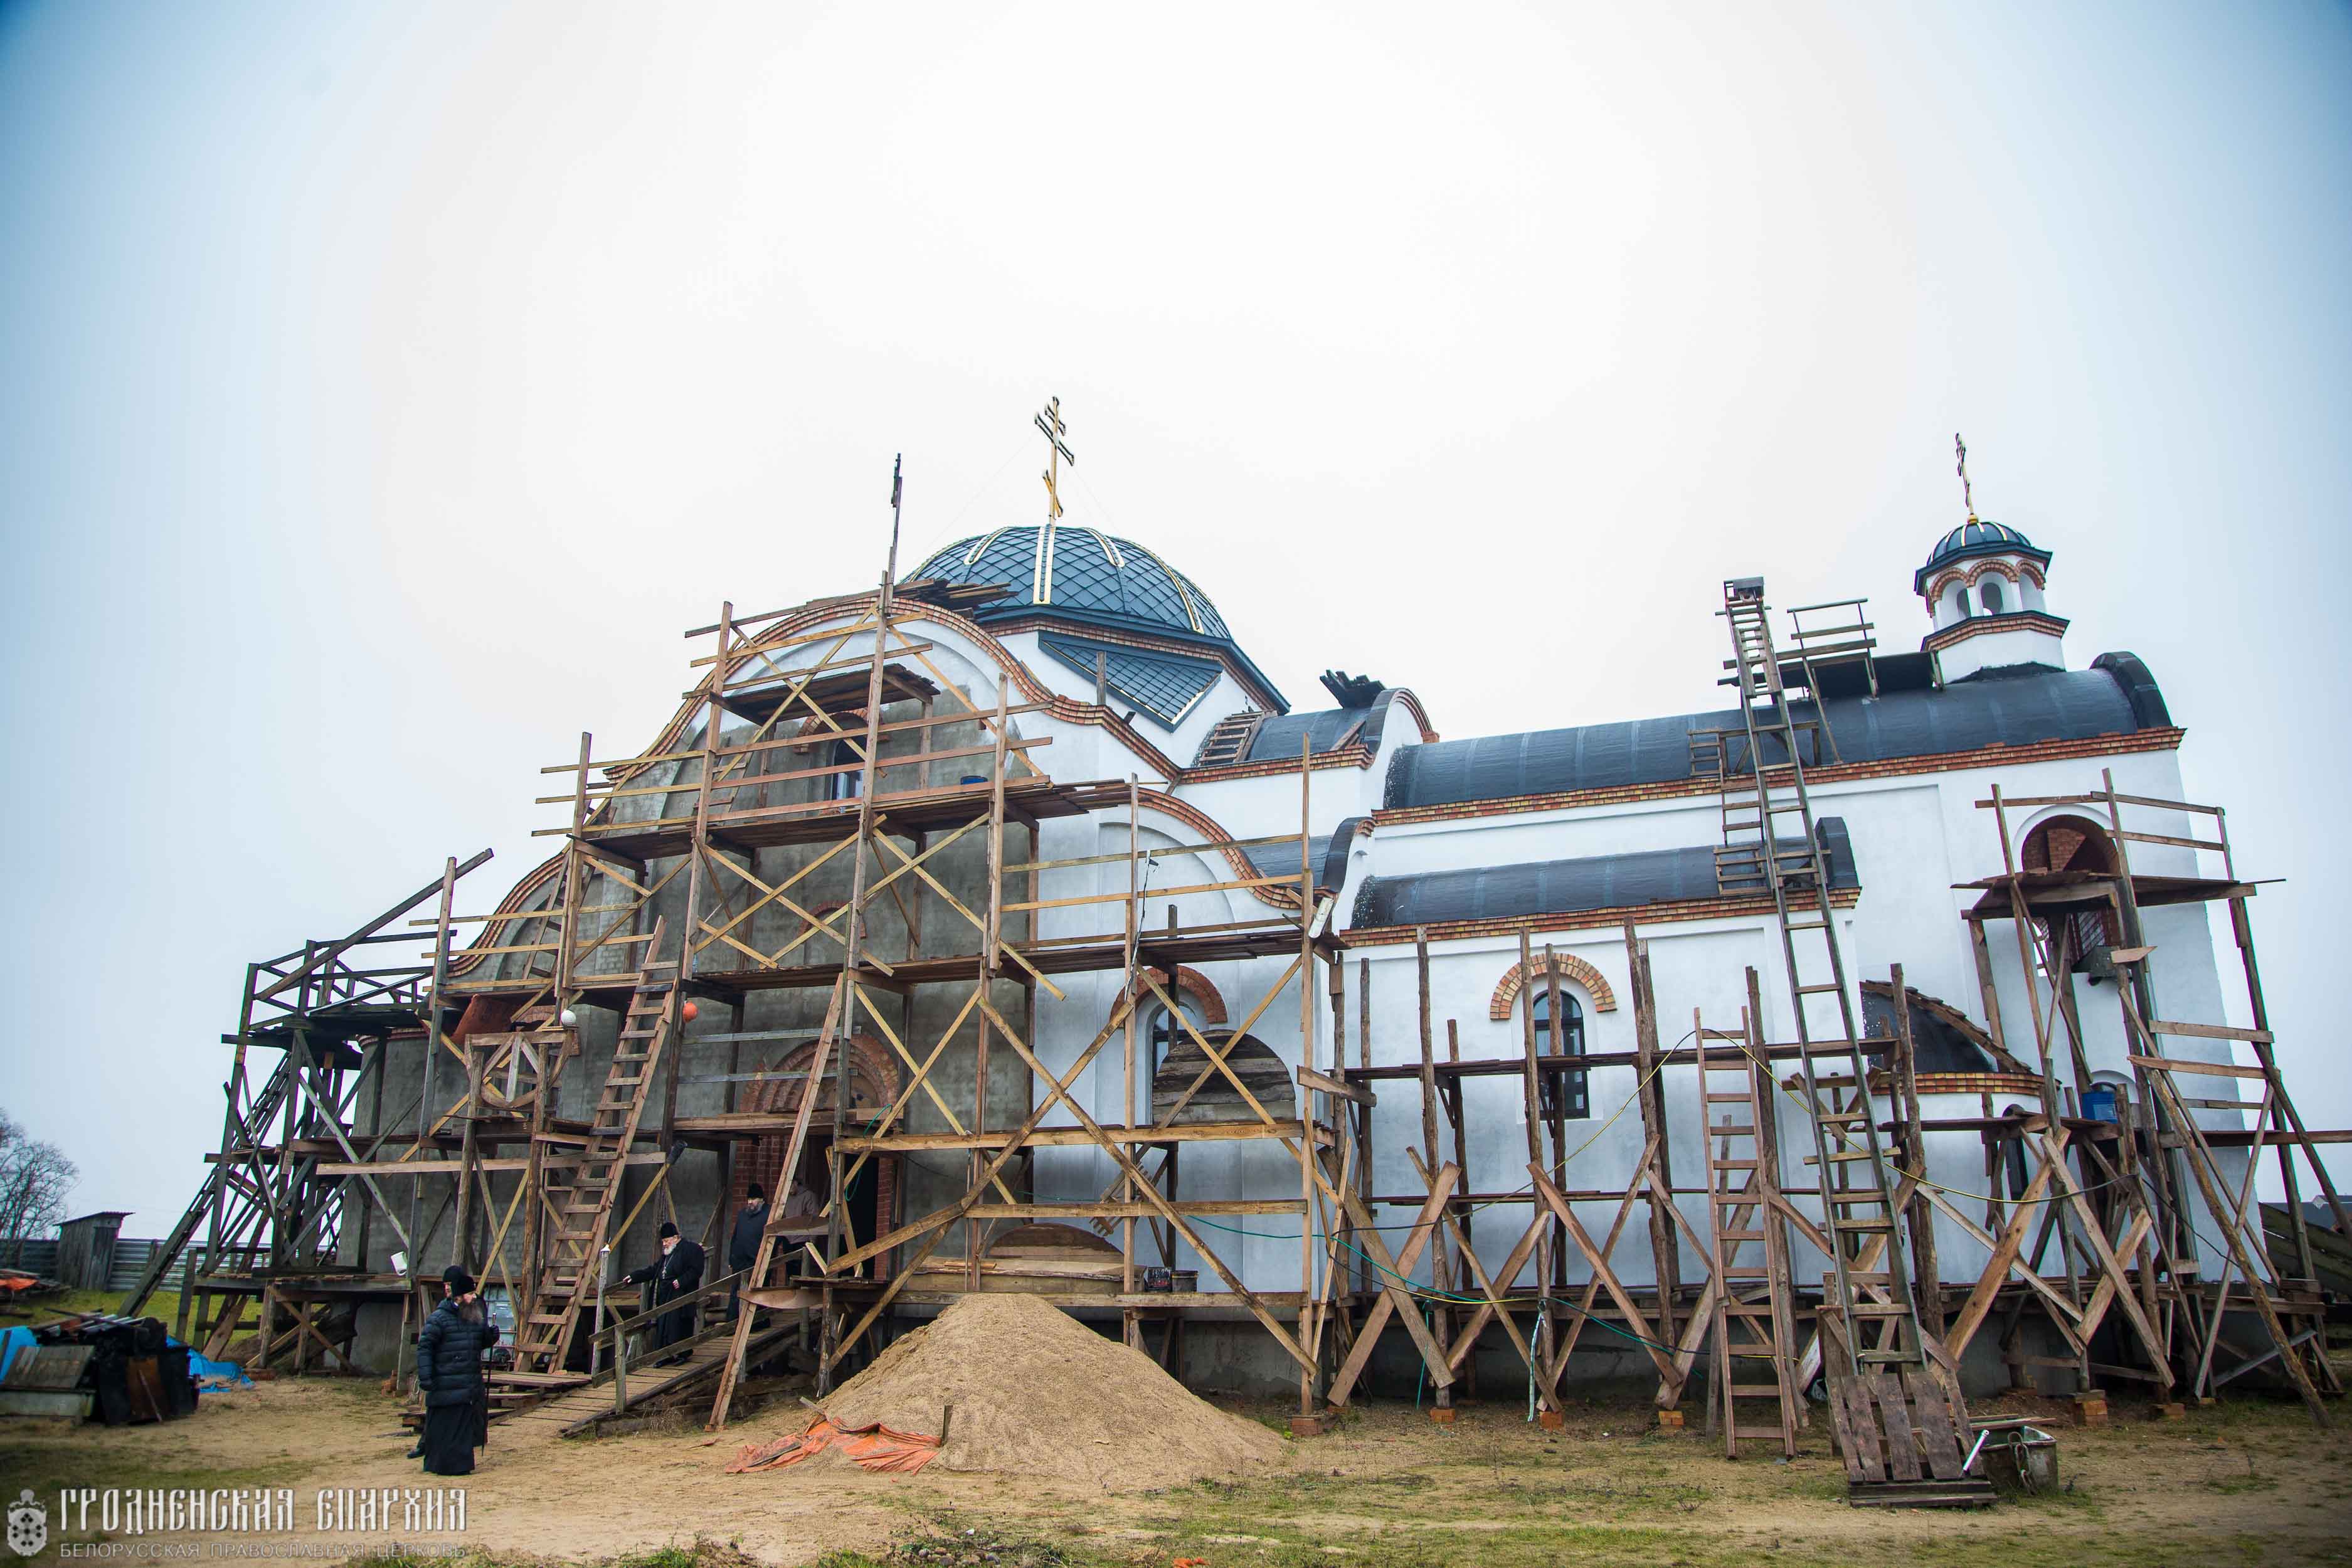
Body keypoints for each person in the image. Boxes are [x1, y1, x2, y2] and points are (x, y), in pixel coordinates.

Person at [414, 1266, 498, 1476]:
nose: (474, 1297)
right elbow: (425, 1348)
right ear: (459, 1296)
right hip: (446, 1383)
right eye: (470, 1294)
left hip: (467, 1384)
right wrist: (426, 1376)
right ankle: (440, 1464)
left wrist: (491, 1337)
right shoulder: (439, 1319)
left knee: (461, 1431)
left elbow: (477, 1342)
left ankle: (458, 1467)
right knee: (444, 1429)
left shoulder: (472, 1316)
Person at [622, 1221, 704, 1362]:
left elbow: (696, 1270)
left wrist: (682, 1281)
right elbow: (654, 1270)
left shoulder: (691, 1249)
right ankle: (665, 1356)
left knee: (678, 1327)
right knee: (664, 1327)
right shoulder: (667, 1255)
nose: (665, 1244)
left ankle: (682, 1354)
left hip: (680, 1294)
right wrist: (634, 1277)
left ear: (675, 1238)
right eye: (663, 1242)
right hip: (665, 1295)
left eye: (666, 1241)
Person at [726, 1185, 768, 1318]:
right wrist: (731, 1258)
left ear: (761, 1200)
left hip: (757, 1261)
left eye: (753, 1199)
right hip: (739, 1261)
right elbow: (735, 1237)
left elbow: (776, 1238)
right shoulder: (743, 1214)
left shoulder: (769, 1214)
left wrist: (764, 1256)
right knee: (736, 1293)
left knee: (757, 1293)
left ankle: (757, 1322)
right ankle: (733, 1322)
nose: (750, 1202)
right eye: (749, 1199)